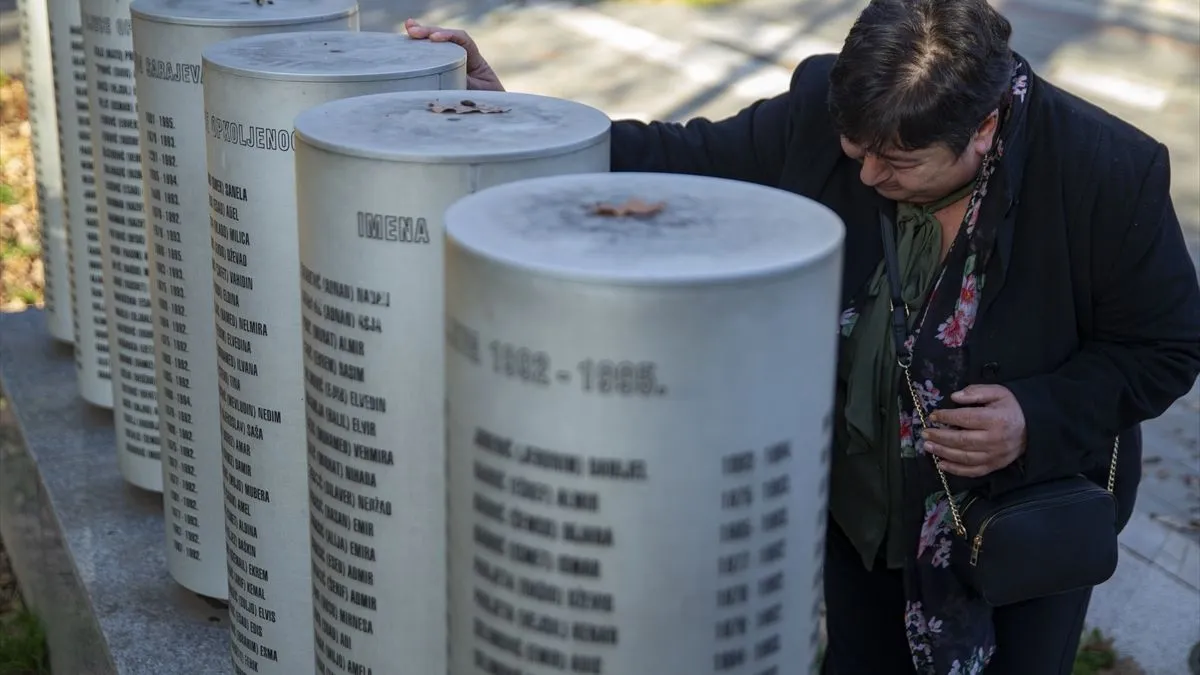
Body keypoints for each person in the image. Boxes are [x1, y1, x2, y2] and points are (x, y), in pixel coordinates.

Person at [406, 1, 1200, 672]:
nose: (868, 177)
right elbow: (678, 157)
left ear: (984, 128)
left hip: (1017, 541)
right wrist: (520, 122)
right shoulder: (827, 106)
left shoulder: (1106, 172)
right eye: (857, 151)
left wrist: (1034, 416)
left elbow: (1167, 345)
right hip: (858, 528)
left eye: (898, 161)